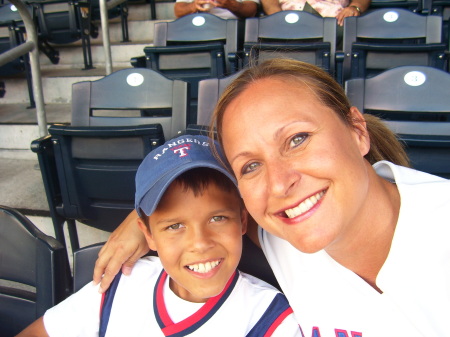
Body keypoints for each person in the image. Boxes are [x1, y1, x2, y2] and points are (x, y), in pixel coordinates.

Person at [92, 59, 450, 337]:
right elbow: (204, 209)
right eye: (250, 166)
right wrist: (142, 224)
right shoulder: (282, 230)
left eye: (297, 139)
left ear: (357, 132)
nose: (279, 185)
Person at [17, 134, 302, 337]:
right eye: (174, 226)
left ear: (242, 221)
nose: (200, 243)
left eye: (218, 218)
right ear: (147, 235)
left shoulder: (271, 319)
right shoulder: (118, 286)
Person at [260, 0, 370, 26]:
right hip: (288, 19)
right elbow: (270, 5)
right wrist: (279, 20)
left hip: (334, 20)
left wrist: (355, 7)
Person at [174, 0, 259, 20]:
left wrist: (231, 4)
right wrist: (194, 5)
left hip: (234, 27)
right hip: (198, 26)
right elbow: (178, 11)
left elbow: (251, 11)